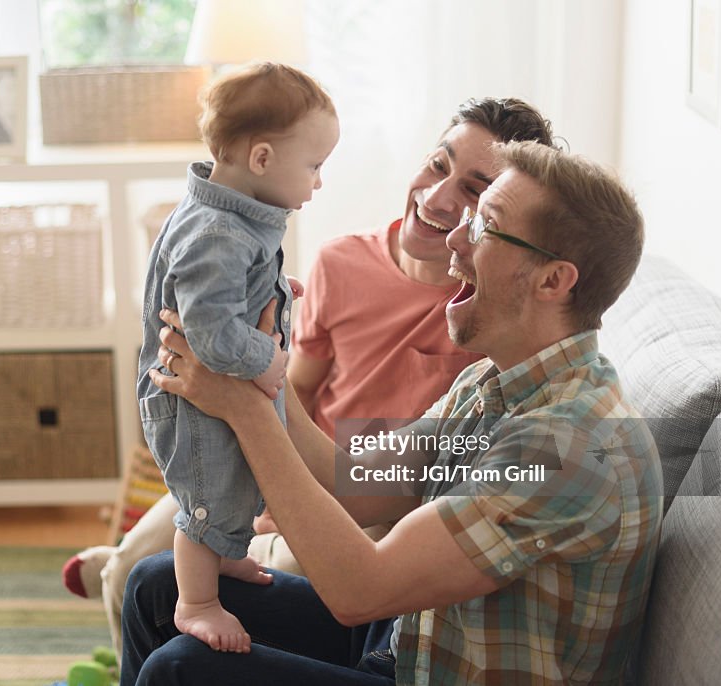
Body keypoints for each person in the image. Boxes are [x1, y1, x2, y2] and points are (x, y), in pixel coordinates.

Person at [122, 140, 663, 685]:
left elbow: (362, 589)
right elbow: (352, 483)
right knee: (155, 586)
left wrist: (244, 409)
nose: (454, 237)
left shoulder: (567, 448)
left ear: (553, 280)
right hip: (408, 646)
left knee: (181, 670)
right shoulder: (494, 380)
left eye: (484, 227)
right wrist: (257, 365)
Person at [63, 96, 560, 656]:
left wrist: (280, 477)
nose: (438, 197)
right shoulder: (340, 261)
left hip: (368, 498)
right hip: (280, 448)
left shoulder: (482, 315)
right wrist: (261, 447)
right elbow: (294, 386)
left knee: (245, 570)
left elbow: (385, 486)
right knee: (134, 570)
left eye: (474, 190)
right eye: (438, 165)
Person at [135, 61, 340, 653]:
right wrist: (267, 358)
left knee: (234, 488)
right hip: (193, 405)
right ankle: (195, 601)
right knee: (209, 496)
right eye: (315, 166)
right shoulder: (219, 232)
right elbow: (212, 330)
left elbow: (225, 291)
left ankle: (222, 562)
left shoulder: (230, 219)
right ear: (262, 160)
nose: (319, 183)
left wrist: (273, 289)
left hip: (213, 397)